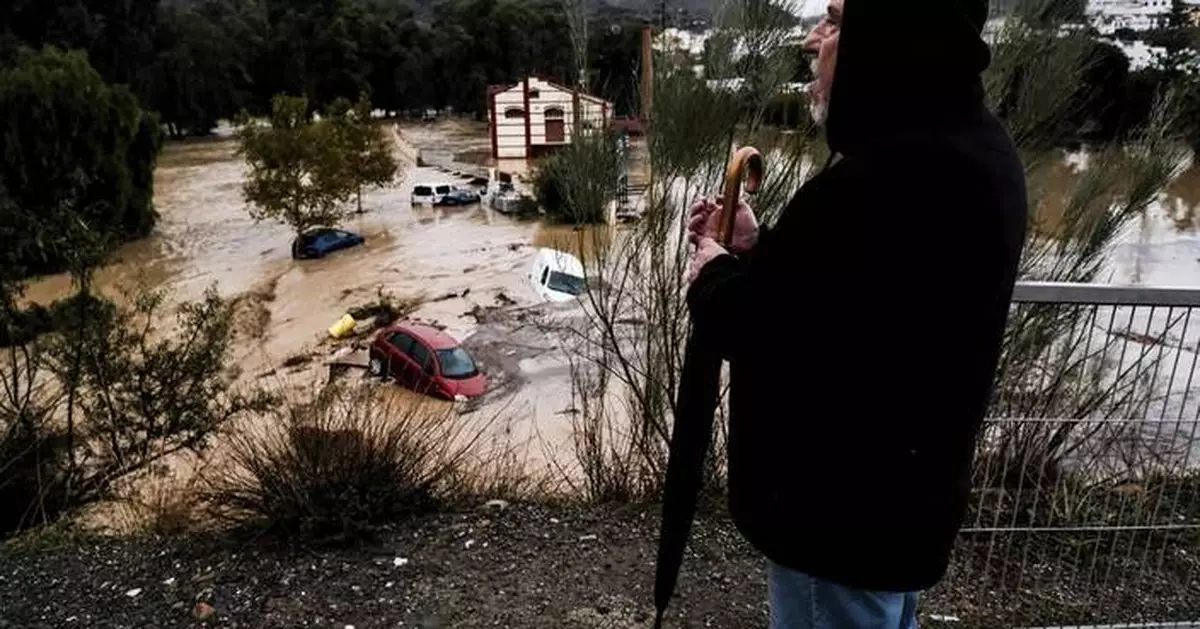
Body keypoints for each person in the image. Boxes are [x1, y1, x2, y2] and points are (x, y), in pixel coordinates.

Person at [684, 0, 1028, 628]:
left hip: (837, 527)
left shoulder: (892, 177)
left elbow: (773, 332)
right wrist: (759, 250)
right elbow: (853, 314)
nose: (814, 39)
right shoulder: (969, 150)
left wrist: (711, 276)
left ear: (889, 35)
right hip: (893, 514)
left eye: (837, 21)